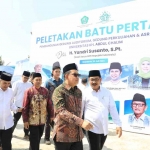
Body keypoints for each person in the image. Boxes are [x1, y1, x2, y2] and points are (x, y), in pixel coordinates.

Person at [52, 63, 93, 150]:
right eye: (75, 75)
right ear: (66, 76)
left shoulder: (78, 91)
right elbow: (61, 111)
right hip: (63, 135)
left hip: (77, 135)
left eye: (78, 75)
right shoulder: (59, 91)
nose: (77, 77)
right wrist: (81, 122)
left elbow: (79, 110)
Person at [82, 70, 122, 150]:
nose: (94, 82)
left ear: (100, 79)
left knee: (99, 148)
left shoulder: (107, 92)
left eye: (96, 79)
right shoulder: (85, 93)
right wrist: (81, 123)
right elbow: (80, 110)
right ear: (89, 80)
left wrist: (118, 124)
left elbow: (112, 108)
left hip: (104, 128)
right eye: (92, 79)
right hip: (91, 128)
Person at [22, 73, 54, 150]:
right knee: (34, 139)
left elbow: (49, 104)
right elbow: (25, 106)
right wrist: (25, 120)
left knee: (38, 139)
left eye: (40, 80)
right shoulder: (29, 91)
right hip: (32, 121)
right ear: (32, 80)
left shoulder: (45, 91)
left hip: (42, 120)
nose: (38, 81)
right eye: (36, 80)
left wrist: (52, 115)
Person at [0, 72, 22, 150]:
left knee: (7, 145)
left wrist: (17, 109)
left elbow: (11, 104)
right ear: (0, 81)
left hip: (8, 124)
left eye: (8, 83)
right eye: (4, 83)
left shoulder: (10, 91)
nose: (6, 85)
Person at [44, 61, 63, 145]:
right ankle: (47, 138)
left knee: (58, 122)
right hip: (50, 106)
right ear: (52, 72)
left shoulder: (62, 82)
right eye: (56, 71)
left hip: (59, 106)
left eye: (59, 71)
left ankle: (56, 137)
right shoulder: (48, 82)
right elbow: (45, 95)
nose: (58, 73)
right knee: (48, 122)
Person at [12, 71, 32, 139]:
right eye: (24, 77)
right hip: (18, 105)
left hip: (26, 106)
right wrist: (13, 106)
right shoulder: (17, 83)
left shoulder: (30, 84)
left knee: (27, 121)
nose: (25, 79)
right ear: (22, 76)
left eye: (27, 78)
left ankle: (26, 134)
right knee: (15, 120)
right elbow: (12, 95)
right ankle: (10, 133)